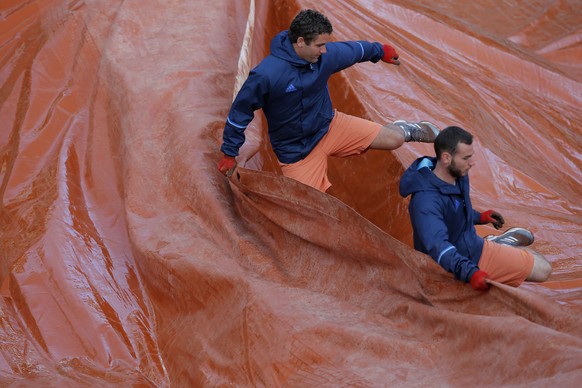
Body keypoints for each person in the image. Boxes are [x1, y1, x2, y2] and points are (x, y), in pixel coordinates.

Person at [217, 9, 440, 192]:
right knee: (313, 211)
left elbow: (355, 50)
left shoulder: (324, 57)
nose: (325, 50)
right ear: (301, 42)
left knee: (393, 140)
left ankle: (405, 129)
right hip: (298, 154)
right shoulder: (267, 75)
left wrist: (380, 51)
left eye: (326, 44)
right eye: (320, 45)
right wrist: (229, 153)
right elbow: (240, 113)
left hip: (330, 126)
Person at [399, 126, 552, 290]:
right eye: (466, 158)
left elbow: (453, 211)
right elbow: (439, 248)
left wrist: (479, 217)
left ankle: (498, 246)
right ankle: (501, 246)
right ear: (446, 158)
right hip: (451, 266)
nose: (471, 163)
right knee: (541, 270)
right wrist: (471, 273)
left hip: (473, 249)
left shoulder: (455, 174)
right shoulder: (425, 202)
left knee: (544, 268)